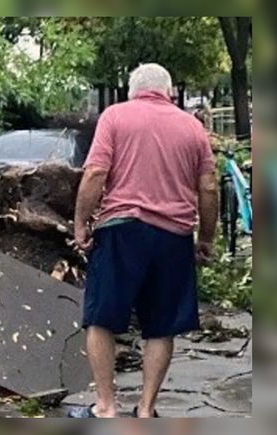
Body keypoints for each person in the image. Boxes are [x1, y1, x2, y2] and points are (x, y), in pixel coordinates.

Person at [68, 63, 218, 418]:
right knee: (161, 325)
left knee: (101, 318)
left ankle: (105, 407)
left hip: (121, 229)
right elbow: (209, 187)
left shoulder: (116, 116)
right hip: (174, 236)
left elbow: (96, 173)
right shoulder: (193, 128)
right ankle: (147, 410)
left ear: (134, 90)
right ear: (169, 92)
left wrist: (80, 223)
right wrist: (206, 238)